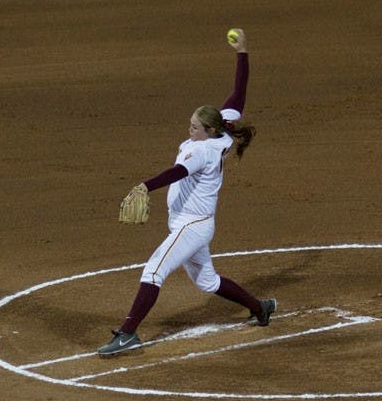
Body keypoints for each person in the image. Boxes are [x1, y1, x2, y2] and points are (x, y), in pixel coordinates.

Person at [98, 29, 277, 357]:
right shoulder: (221, 132)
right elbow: (238, 94)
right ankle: (260, 307)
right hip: (195, 223)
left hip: (191, 227)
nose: (189, 129)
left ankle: (127, 334)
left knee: (154, 270)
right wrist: (242, 52)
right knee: (207, 282)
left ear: (208, 131)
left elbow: (177, 172)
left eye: (195, 126)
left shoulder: (203, 151)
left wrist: (144, 186)